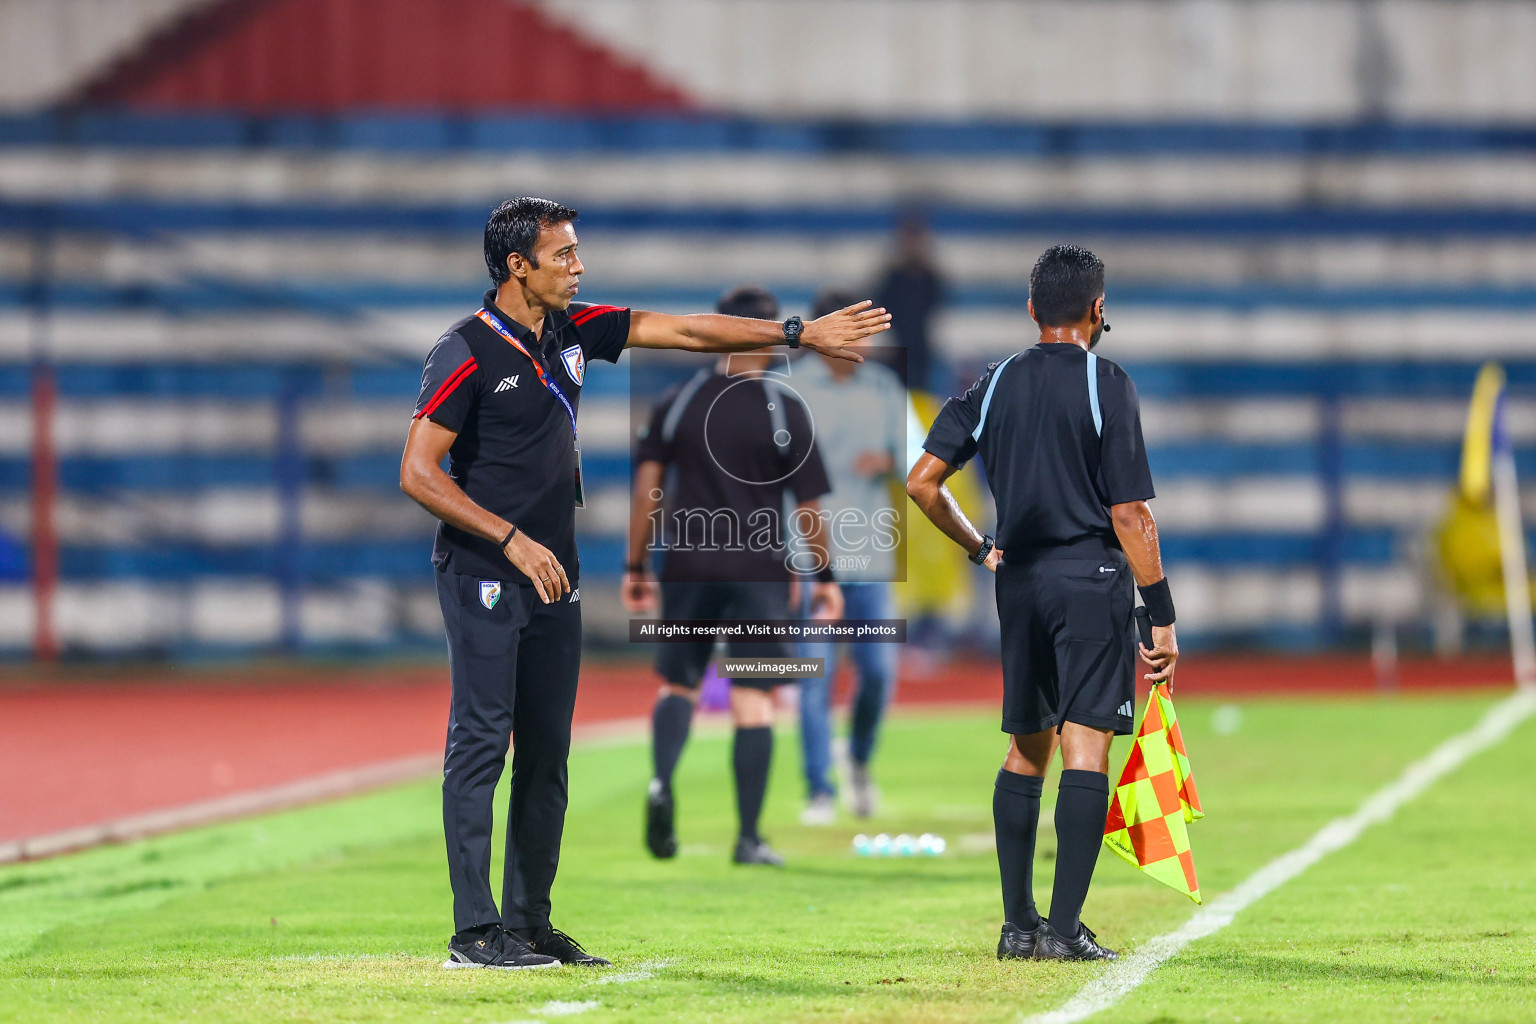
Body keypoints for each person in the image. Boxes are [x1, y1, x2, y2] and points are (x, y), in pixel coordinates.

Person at [399, 199, 887, 971]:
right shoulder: (462, 351)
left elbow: (692, 330)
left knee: (549, 754)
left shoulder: (573, 330)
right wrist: (511, 538)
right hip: (487, 570)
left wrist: (798, 334)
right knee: (482, 743)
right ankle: (473, 932)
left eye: (577, 252)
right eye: (563, 255)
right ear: (517, 266)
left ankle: (528, 923)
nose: (578, 266)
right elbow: (417, 471)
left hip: (554, 572)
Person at [905, 244, 1179, 963]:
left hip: (1018, 581)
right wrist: (1161, 614)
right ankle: (1062, 931)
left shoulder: (994, 382)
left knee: (1028, 747)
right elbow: (1130, 515)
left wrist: (978, 547)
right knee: (1084, 747)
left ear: (1031, 310)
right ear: (1098, 310)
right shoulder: (1107, 382)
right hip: (1088, 579)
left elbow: (923, 482)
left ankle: (1017, 925)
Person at [623, 285, 844, 867]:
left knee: (679, 686)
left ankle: (661, 781)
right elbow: (808, 509)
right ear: (770, 336)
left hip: (688, 565)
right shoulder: (783, 408)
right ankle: (748, 838)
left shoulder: (676, 400)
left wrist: (636, 564)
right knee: (753, 697)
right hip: (759, 570)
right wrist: (824, 576)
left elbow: (647, 489)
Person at [790, 287, 909, 824]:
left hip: (870, 557)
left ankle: (857, 760)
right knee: (814, 677)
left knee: (879, 672)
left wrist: (887, 457)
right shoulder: (789, 389)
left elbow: (920, 458)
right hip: (808, 560)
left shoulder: (884, 387)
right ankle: (819, 788)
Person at [873, 216, 947, 394]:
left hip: (921, 350)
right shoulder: (892, 279)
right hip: (895, 350)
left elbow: (937, 307)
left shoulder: (930, 279)